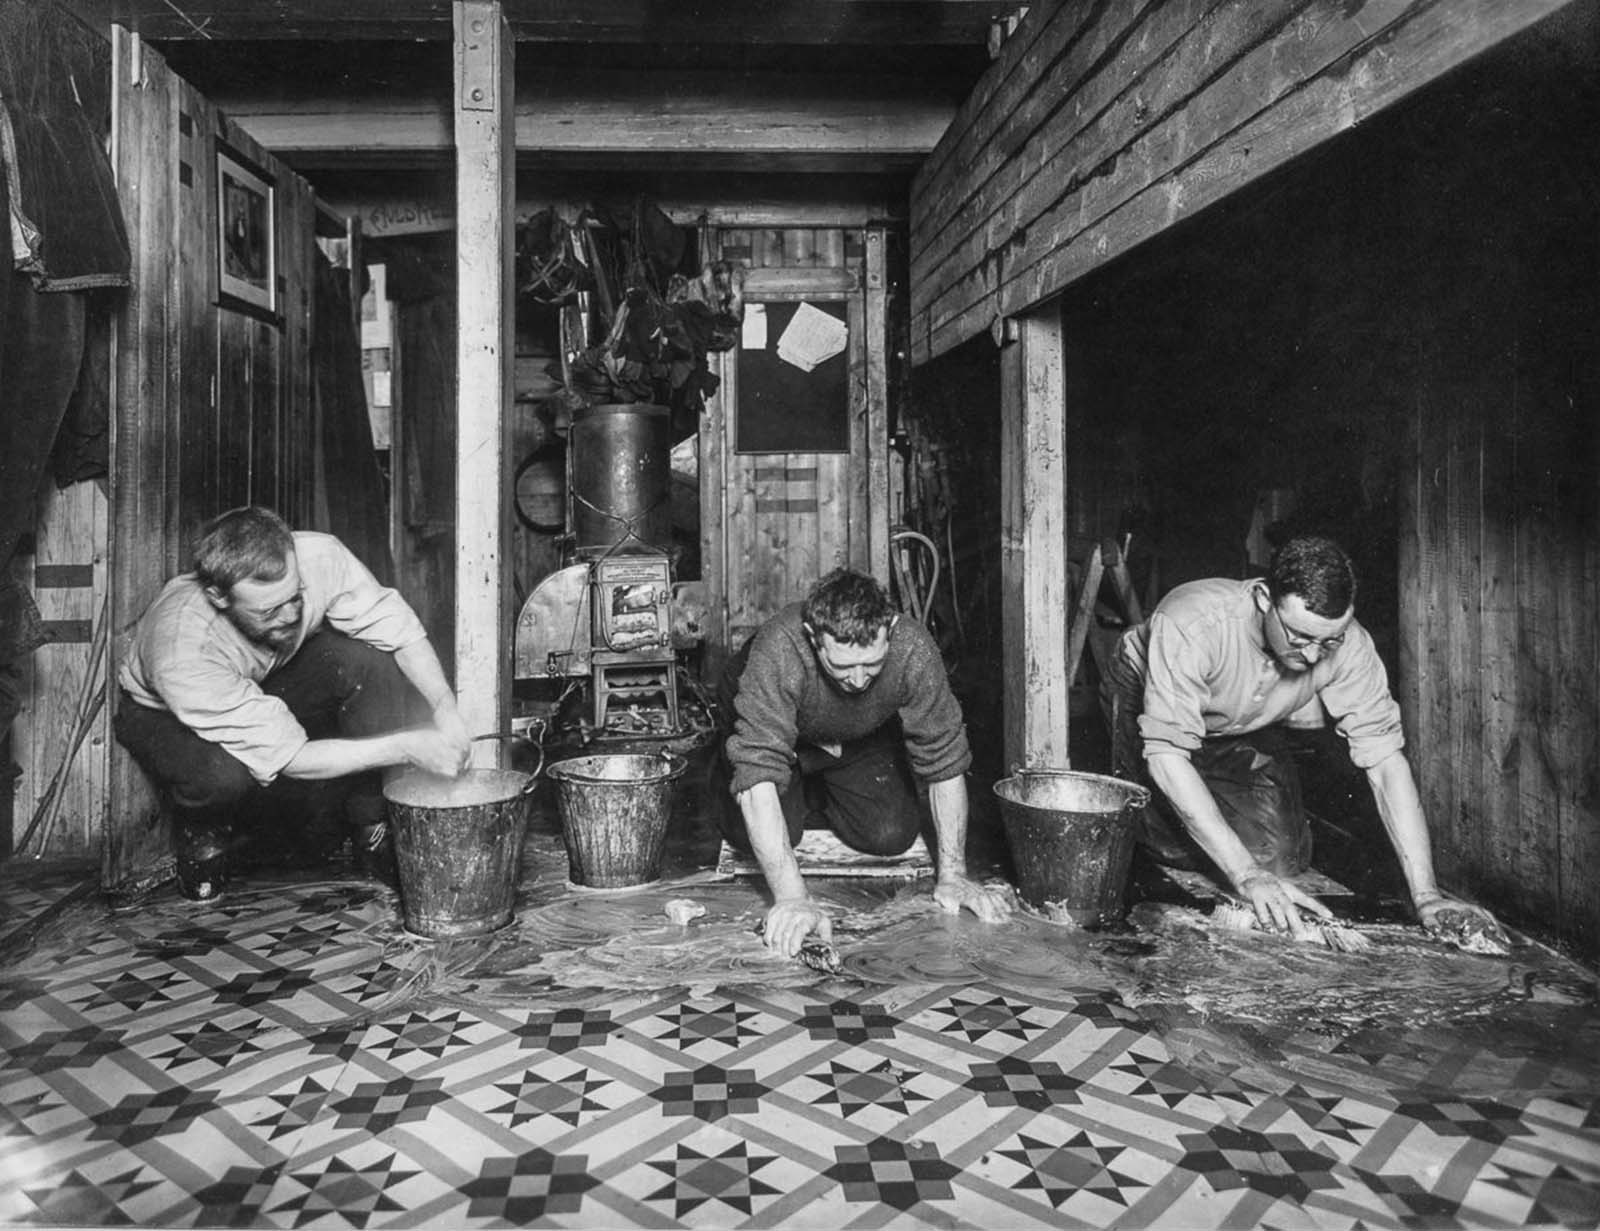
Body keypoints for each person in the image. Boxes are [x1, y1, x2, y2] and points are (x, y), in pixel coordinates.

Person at [1106, 533, 1504, 942]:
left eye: (1328, 641)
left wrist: (1426, 896)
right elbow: (1167, 754)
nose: (1313, 657)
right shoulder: (1192, 622)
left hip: (1240, 720)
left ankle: (1206, 792)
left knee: (1282, 858)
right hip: (1146, 697)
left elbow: (1386, 764)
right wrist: (1245, 876)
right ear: (1264, 598)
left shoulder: (1351, 646)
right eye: (1299, 638)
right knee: (1176, 845)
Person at [115, 506, 471, 901]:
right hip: (163, 714)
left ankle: (371, 829)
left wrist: (444, 708)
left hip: (267, 676)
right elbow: (292, 756)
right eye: (268, 610)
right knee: (223, 774)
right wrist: (408, 745)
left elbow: (400, 633)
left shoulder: (319, 556)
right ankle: (204, 833)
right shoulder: (182, 650)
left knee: (367, 661)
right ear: (218, 596)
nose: (290, 615)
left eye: (295, 596)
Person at [717, 567, 1012, 957]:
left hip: (849, 735)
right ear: (813, 637)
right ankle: (770, 786)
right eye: (842, 667)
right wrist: (792, 898)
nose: (857, 681)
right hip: (769, 730)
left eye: (871, 666)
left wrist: (954, 875)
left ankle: (818, 788)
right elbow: (756, 775)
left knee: (890, 834)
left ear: (889, 628)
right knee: (759, 834)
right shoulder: (780, 646)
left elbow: (946, 760)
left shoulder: (912, 648)